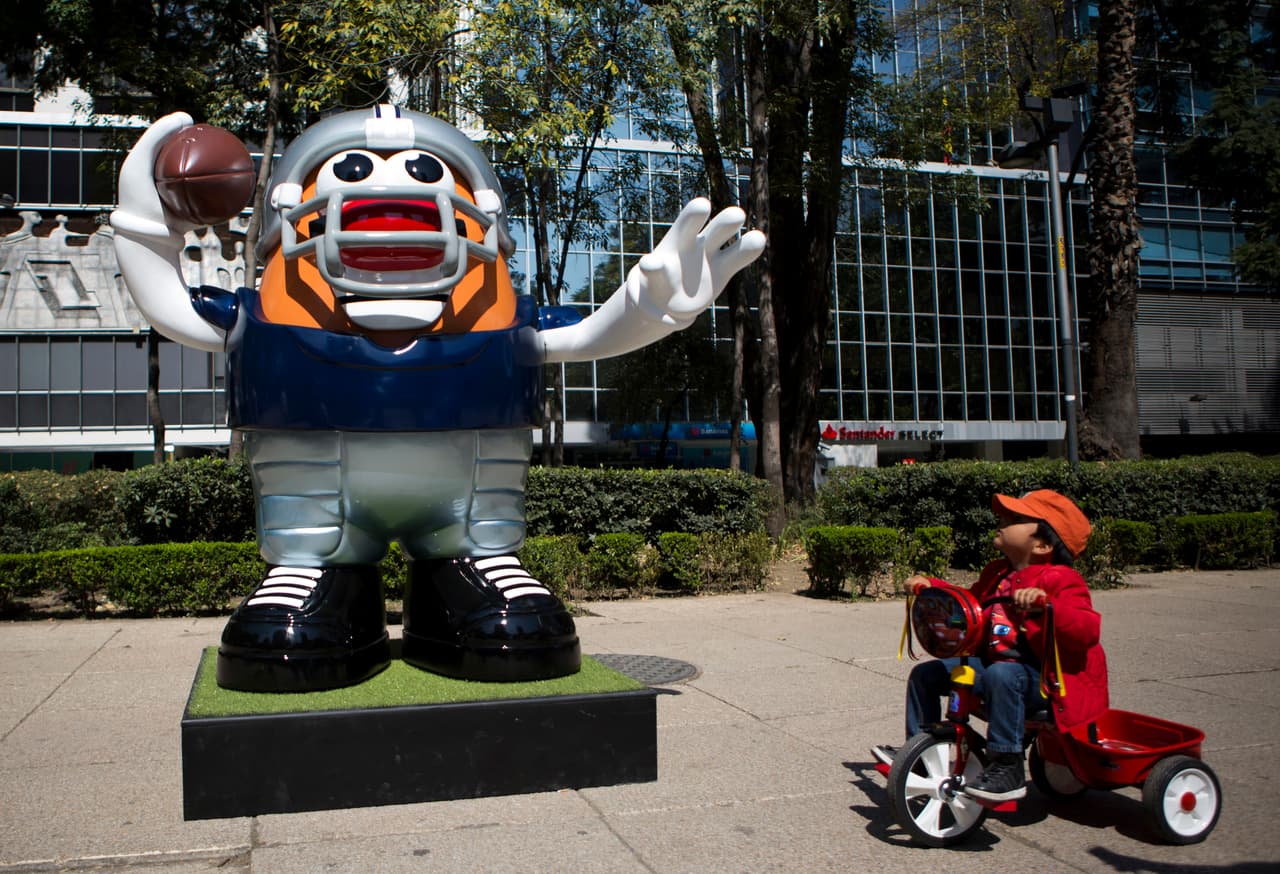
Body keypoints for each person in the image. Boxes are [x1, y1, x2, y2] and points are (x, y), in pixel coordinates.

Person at [871, 489, 1109, 802]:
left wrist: (1048, 606)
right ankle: (921, 747)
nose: (1002, 522)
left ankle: (1007, 764)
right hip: (998, 670)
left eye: (1016, 519)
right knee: (926, 675)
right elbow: (972, 604)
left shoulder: (1062, 580)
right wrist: (934, 589)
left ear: (1043, 544)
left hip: (1046, 683)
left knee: (1002, 675)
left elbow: (1086, 630)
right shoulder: (997, 574)